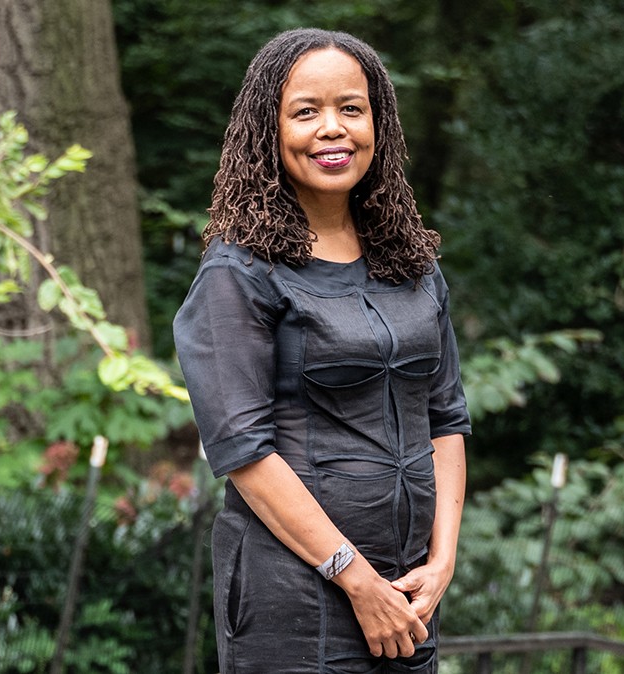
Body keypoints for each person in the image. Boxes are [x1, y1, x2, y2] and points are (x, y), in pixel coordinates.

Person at [173, 27, 471, 674]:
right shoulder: (238, 274)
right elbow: (244, 453)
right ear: (268, 131)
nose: (332, 129)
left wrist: (442, 561)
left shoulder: (414, 266)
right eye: (306, 112)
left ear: (378, 124)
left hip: (409, 596)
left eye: (351, 109)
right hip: (295, 604)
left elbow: (444, 418)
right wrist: (356, 580)